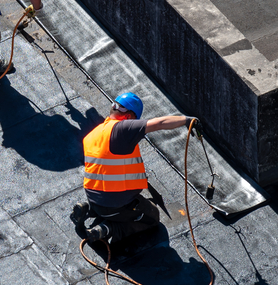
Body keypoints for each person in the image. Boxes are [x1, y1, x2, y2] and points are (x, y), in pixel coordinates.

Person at [70, 92, 197, 244]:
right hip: (115, 204)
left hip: (94, 198)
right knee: (152, 217)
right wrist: (187, 120)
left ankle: (89, 211)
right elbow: (160, 123)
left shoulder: (92, 135)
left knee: (117, 206)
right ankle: (107, 229)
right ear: (129, 117)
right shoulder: (123, 129)